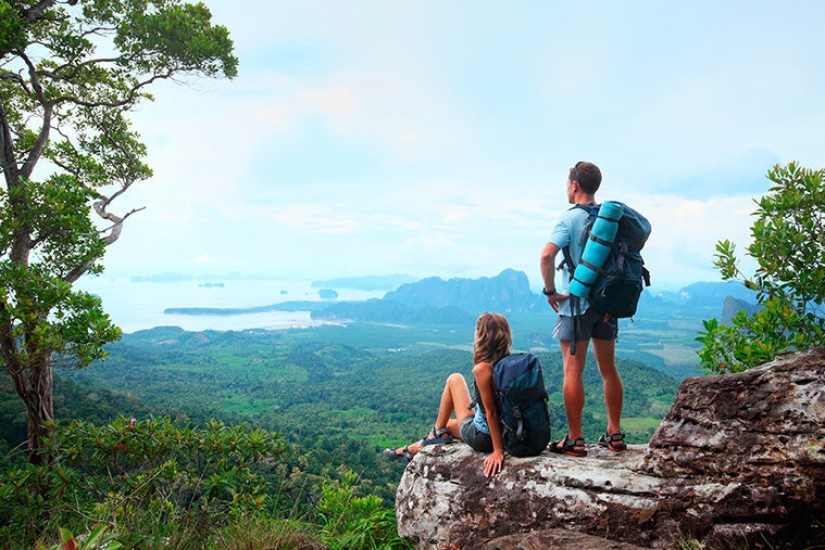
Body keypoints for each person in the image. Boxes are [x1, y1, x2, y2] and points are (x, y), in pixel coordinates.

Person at [539, 161, 627, 457]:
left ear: (575, 185)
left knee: (573, 371)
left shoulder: (569, 218)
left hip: (575, 307)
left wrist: (550, 291)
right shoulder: (609, 218)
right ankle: (615, 433)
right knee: (609, 370)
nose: (567, 187)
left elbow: (547, 255)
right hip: (606, 305)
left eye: (567, 183)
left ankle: (575, 439)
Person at [383, 312, 511, 477]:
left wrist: (497, 450)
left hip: (485, 437)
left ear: (482, 336)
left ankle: (424, 440)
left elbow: (491, 412)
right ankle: (416, 446)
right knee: (448, 425)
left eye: (476, 331)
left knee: (454, 379)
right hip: (509, 431)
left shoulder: (483, 368)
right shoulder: (510, 364)